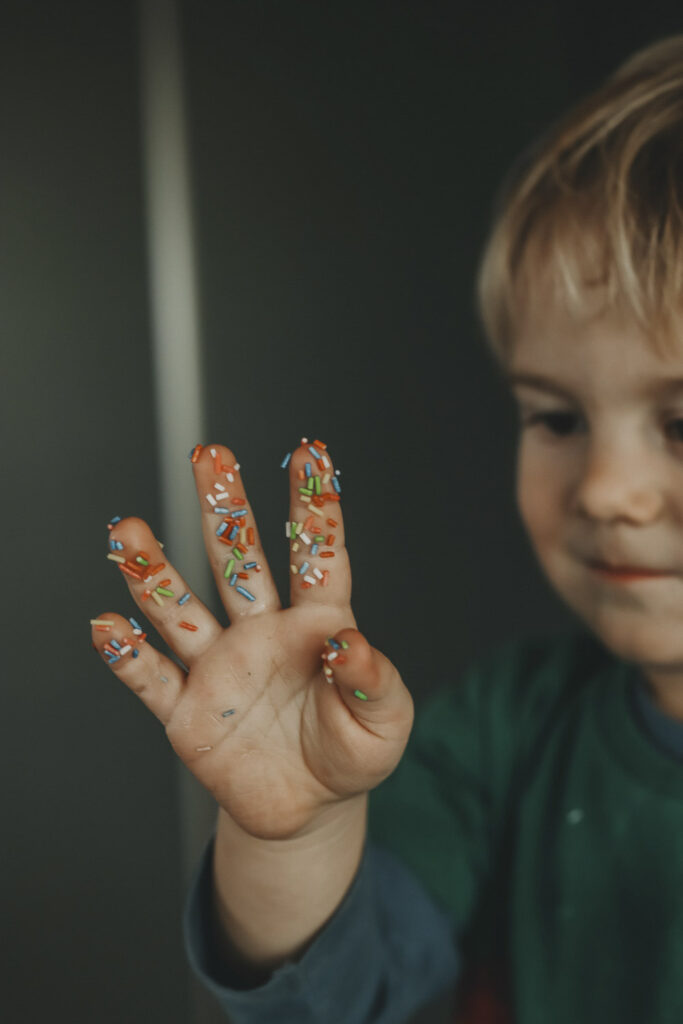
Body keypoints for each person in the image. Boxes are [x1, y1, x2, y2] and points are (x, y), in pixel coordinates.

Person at [91, 33, 683, 1024]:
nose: (606, 490)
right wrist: (293, 835)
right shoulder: (506, 730)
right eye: (554, 417)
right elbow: (354, 996)